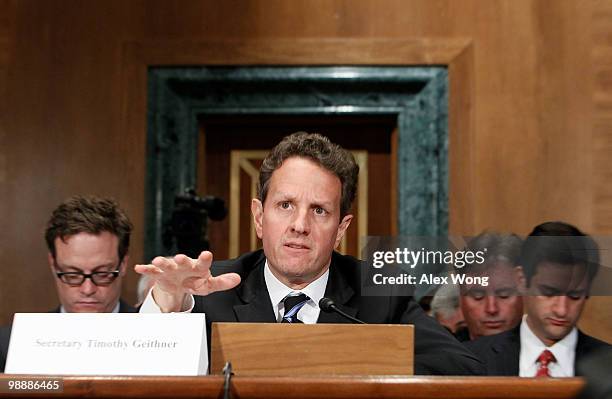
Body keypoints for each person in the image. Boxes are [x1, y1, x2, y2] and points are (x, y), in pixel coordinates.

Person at [137, 132, 484, 375]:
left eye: (319, 210)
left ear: (341, 230)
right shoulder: (211, 292)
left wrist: (366, 364)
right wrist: (167, 302)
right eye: (285, 205)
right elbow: (141, 374)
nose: (299, 224)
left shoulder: (380, 295)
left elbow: (463, 369)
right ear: (259, 217)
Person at [0, 195, 137, 372]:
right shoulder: (9, 347)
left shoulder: (157, 337)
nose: (88, 289)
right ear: (53, 264)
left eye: (102, 273)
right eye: (72, 274)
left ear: (123, 264)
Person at [465, 221, 611, 376]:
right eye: (548, 293)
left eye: (574, 296)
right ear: (521, 280)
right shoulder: (471, 360)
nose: (561, 310)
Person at [458, 232, 524, 340]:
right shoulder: (441, 354)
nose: (491, 309)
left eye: (504, 295)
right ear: (460, 298)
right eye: (478, 296)